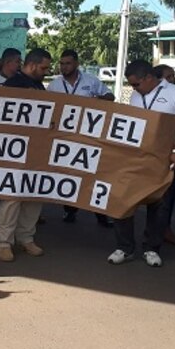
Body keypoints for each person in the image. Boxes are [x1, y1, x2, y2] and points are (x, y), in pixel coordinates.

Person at [107, 60, 175, 268]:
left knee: (161, 202)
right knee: (123, 198)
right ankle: (125, 248)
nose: (133, 88)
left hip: (162, 157)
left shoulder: (174, 93)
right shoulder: (136, 95)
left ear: (148, 78)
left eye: (136, 84)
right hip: (136, 156)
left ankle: (152, 248)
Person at [0, 49, 52, 261]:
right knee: (12, 197)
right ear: (33, 65)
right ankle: (3, 241)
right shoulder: (12, 84)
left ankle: (26, 237)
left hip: (36, 149)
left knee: (34, 195)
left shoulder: (38, 85)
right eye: (44, 67)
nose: (46, 72)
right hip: (14, 150)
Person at [47, 49, 115, 226]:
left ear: (76, 63)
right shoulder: (54, 85)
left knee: (92, 173)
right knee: (67, 174)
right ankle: (69, 210)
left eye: (68, 63)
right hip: (64, 136)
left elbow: (110, 96)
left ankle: (100, 214)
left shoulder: (91, 81)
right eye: (61, 63)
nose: (64, 67)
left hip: (88, 135)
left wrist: (96, 100)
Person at [152, 65, 175, 246]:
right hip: (150, 152)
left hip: (170, 151)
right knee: (166, 191)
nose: (173, 79)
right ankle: (157, 232)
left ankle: (163, 229)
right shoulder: (140, 95)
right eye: (169, 76)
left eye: (173, 75)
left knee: (170, 189)